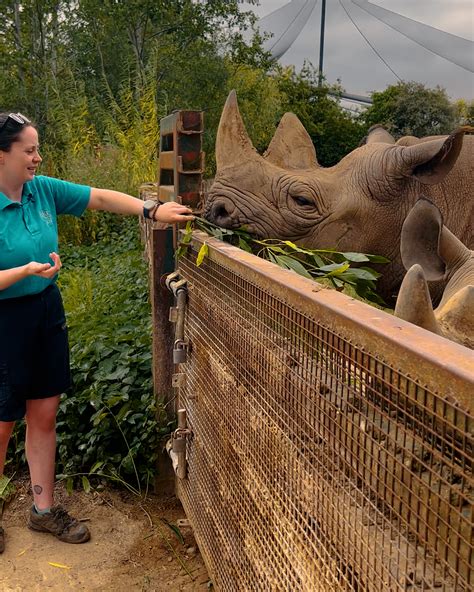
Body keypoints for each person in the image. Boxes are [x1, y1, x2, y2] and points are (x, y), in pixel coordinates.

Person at [0, 112, 194, 553]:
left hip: (46, 311)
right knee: (2, 423)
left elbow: (100, 198)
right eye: (29, 150)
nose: (37, 157)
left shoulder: (42, 190)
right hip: (3, 320)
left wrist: (151, 209)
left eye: (37, 148)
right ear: (2, 155)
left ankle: (43, 511)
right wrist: (24, 271)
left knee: (44, 413)